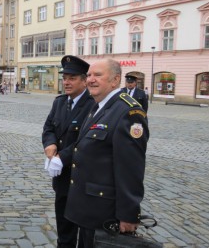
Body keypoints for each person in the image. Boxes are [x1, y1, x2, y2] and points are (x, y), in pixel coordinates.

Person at [64, 59, 149, 247]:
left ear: (115, 80)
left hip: (106, 212)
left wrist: (128, 214)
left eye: (97, 75)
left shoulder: (128, 112)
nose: (90, 80)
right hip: (89, 208)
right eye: (89, 75)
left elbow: (130, 169)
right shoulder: (98, 106)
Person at [42, 55, 95, 248]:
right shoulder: (60, 102)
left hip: (82, 176)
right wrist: (49, 145)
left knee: (85, 231)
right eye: (64, 78)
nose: (66, 82)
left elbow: (88, 140)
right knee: (64, 227)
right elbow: (49, 127)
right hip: (62, 176)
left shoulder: (93, 104)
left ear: (84, 80)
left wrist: (61, 157)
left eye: (72, 78)